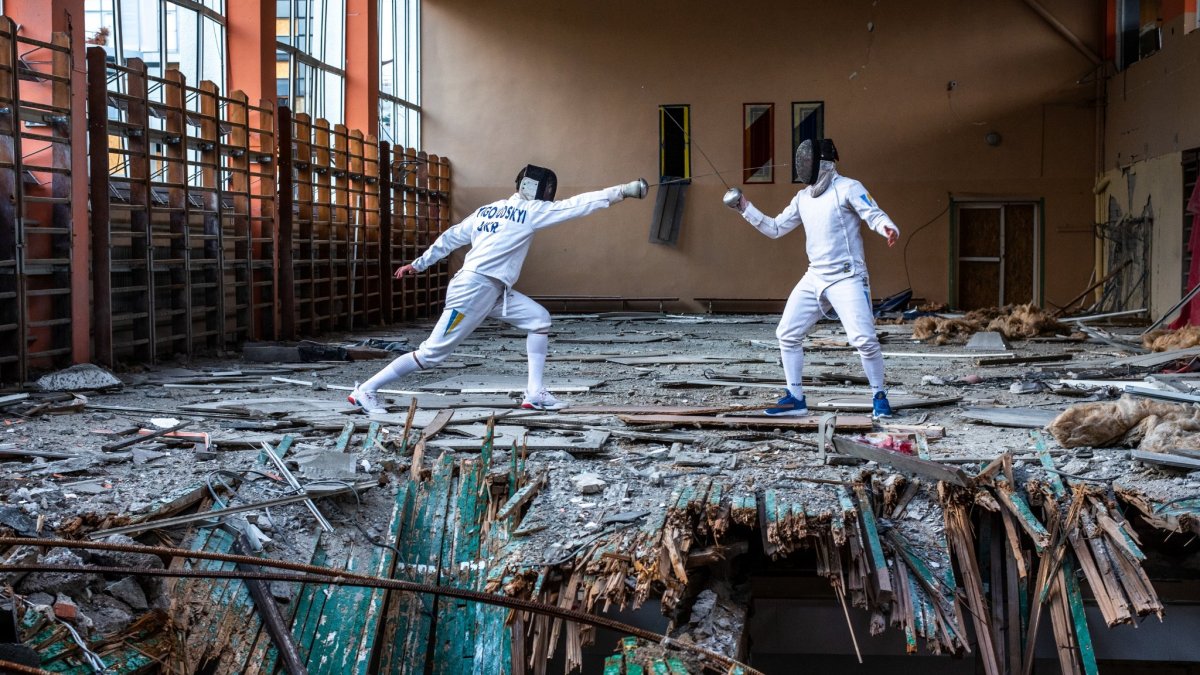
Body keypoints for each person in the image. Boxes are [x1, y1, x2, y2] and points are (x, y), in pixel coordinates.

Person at [349, 165, 648, 414]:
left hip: (492, 290)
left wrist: (420, 263)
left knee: (538, 320)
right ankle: (366, 389)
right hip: (473, 290)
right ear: (542, 189)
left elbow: (451, 237)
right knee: (430, 355)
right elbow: (576, 206)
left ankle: (534, 394)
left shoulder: (487, 211)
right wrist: (622, 191)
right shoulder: (531, 211)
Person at [722, 138, 899, 418]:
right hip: (815, 275)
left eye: (807, 161)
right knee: (787, 334)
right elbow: (776, 228)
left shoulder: (849, 187)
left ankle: (879, 396)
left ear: (823, 163)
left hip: (847, 277)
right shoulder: (803, 198)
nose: (803, 166)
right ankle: (795, 398)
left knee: (864, 340)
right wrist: (744, 207)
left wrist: (887, 227)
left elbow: (872, 213)